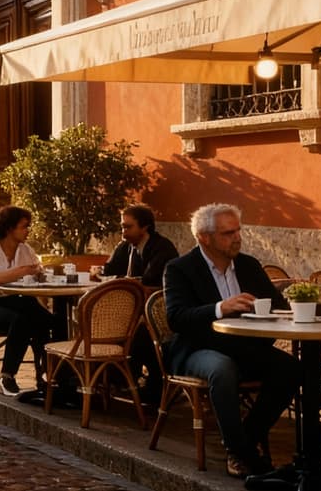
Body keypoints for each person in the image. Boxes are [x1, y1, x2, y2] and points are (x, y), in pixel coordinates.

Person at [163, 203, 297, 479]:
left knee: (293, 369)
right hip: (198, 349)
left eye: (238, 231)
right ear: (204, 237)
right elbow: (176, 318)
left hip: (245, 346)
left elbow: (278, 304)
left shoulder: (248, 265)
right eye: (227, 233)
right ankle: (240, 453)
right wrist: (220, 308)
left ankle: (244, 440)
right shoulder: (180, 268)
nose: (237, 238)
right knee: (222, 369)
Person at [0, 206, 77, 407]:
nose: (28, 230)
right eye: (24, 226)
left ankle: (54, 376)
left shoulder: (26, 251)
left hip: (17, 302)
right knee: (27, 319)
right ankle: (10, 375)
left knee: (53, 321)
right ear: (9, 228)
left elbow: (37, 275)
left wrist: (43, 273)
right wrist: (20, 272)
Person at [99, 204, 181, 398]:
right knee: (108, 327)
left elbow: (152, 284)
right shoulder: (128, 246)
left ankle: (145, 383)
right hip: (133, 309)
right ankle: (115, 379)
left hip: (158, 311)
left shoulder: (162, 248)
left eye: (128, 227)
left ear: (144, 227)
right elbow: (108, 270)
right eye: (122, 227)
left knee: (137, 333)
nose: (123, 232)